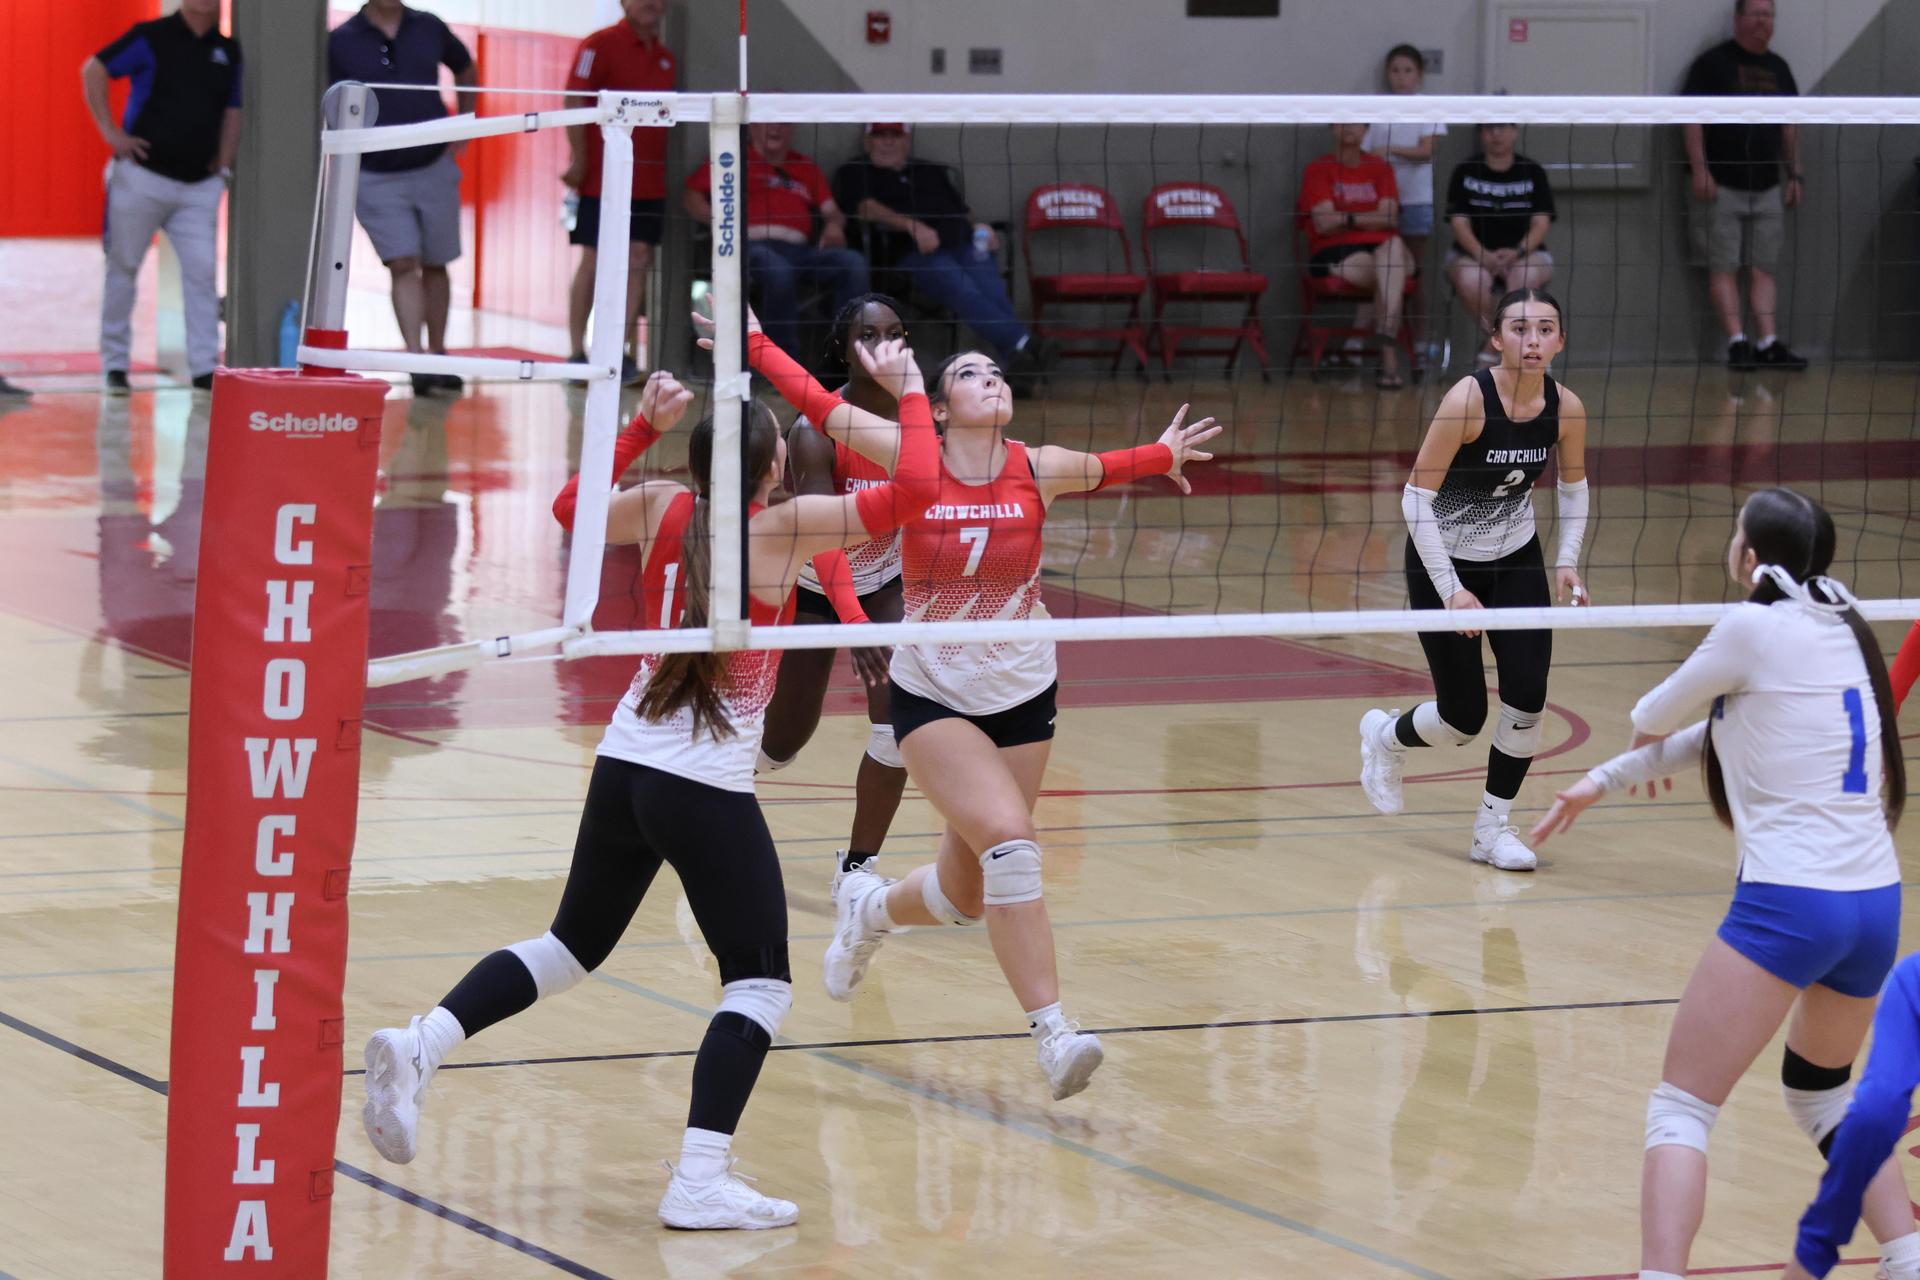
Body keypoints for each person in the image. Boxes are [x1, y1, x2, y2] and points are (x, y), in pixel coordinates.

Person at [358, 348, 943, 1229]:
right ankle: (700, 1178)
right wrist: (911, 393)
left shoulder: (667, 504)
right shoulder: (782, 531)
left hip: (625, 763)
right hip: (701, 785)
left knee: (569, 947)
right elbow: (918, 490)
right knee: (759, 986)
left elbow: (569, 508)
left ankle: (421, 1043)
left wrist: (641, 427)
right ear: (772, 469)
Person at [738, 320, 1222, 1101]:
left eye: (996, 371)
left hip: (1024, 690)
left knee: (965, 896)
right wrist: (755, 341)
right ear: (940, 404)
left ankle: (870, 913)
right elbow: (821, 408)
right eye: (969, 373)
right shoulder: (911, 455)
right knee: (1013, 843)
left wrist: (1163, 454)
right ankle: (1054, 1035)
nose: (990, 379)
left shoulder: (1039, 466)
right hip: (932, 692)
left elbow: (1111, 466)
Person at [1527, 488, 1912, 1280]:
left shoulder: (1750, 628)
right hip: (1875, 901)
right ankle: (1908, 1259)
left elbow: (1656, 709)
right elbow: (1736, 728)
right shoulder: (1844, 621)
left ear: (1750, 558)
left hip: (1792, 903)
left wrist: (1638, 740)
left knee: (1682, 1106)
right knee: (1822, 1095)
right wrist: (1604, 778)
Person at [1357, 287, 1589, 872]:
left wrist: (1566, 559)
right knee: (1462, 719)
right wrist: (1452, 589)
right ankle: (1385, 737)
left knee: (1528, 697)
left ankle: (1492, 829)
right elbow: (1415, 498)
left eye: (1544, 329)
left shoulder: (1566, 408)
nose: (1532, 340)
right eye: (1519, 329)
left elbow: (1573, 486)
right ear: (1496, 338)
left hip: (1516, 560)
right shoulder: (1467, 401)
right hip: (1443, 561)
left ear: (1560, 341)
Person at [758, 295, 913, 877]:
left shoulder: (920, 421)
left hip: (886, 582)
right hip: (813, 585)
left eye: (894, 333)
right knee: (781, 744)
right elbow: (823, 538)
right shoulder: (813, 432)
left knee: (897, 724)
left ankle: (858, 871)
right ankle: (706, 797)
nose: (882, 345)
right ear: (844, 350)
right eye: (867, 334)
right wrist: (853, 623)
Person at [83, 0, 241, 395]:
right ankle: (115, 364)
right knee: (123, 268)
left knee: (202, 274)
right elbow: (94, 69)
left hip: (198, 187)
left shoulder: (228, 50)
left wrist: (222, 164)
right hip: (142, 178)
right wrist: (111, 133)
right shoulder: (151, 37)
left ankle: (204, 367)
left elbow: (233, 110)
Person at [328, 0, 476, 398]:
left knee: (437, 262)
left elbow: (465, 67)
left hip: (432, 163)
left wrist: (464, 124)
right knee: (402, 262)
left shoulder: (429, 26)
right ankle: (415, 358)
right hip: (375, 173)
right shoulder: (341, 41)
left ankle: (437, 354)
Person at [832, 123, 1044, 392]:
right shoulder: (856, 171)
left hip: (963, 244)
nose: (887, 142)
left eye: (895, 135)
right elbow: (864, 208)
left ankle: (1019, 355)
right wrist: (912, 226)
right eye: (879, 135)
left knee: (992, 288)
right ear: (867, 140)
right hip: (913, 253)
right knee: (962, 288)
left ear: (907, 140)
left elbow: (961, 210)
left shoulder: (930, 171)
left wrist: (979, 226)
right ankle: (1027, 345)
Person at [1681, 0, 1809, 372]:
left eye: (1768, 15)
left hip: (1767, 185)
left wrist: (1795, 175)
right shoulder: (1712, 64)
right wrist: (1700, 170)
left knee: (1763, 267)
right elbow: (1690, 119)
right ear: (1738, 19)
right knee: (1723, 266)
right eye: (1756, 14)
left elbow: (1790, 126)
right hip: (1720, 185)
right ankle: (1737, 342)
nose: (1763, 21)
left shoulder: (1779, 68)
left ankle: (1768, 342)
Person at [1779, 953, 1920, 1280]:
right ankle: (1906, 1260)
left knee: (1683, 1108)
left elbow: (1875, 1117)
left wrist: (1814, 1250)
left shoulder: (1912, 977)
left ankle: (1906, 1260)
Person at [684, 124, 870, 360]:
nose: (776, 128)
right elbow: (691, 196)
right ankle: (781, 362)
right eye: (768, 122)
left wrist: (834, 224)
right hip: (749, 247)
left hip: (801, 251)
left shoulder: (804, 166)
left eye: (783, 123)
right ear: (752, 127)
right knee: (778, 271)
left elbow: (832, 212)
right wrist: (720, 221)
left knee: (852, 263)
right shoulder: (732, 159)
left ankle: (845, 357)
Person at [564, 0, 677, 386]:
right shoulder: (598, 45)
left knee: (639, 259)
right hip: (601, 179)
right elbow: (573, 101)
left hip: (648, 182)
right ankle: (576, 352)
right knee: (593, 259)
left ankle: (616, 354)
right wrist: (579, 159)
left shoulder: (666, 59)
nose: (650, 3)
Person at [1298, 123, 1414, 389]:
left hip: (1385, 247)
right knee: (1391, 271)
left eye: (1356, 120)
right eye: (1342, 119)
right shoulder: (1318, 169)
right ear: (1332, 126)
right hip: (1336, 249)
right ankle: (1388, 355)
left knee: (1393, 250)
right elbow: (1324, 223)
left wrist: (1346, 218)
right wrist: (1370, 218)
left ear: (1366, 128)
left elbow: (1390, 216)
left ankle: (1385, 351)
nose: (1349, 125)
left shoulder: (1380, 168)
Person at [1363, 46, 1446, 364]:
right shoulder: (1377, 107)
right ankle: (1378, 345)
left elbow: (1426, 151)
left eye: (1408, 70)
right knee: (1382, 271)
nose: (1401, 77)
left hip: (1415, 202)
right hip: (1379, 205)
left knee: (1415, 278)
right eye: (1395, 70)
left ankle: (1420, 343)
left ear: (1419, 75)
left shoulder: (1429, 108)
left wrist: (1390, 150)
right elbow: (1367, 154)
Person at [1444, 123, 1555, 357]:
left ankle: (1489, 352)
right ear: (1481, 133)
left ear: (1515, 131)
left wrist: (1517, 252)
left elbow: (1541, 223)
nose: (1495, 134)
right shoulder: (1466, 170)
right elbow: (1459, 223)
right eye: (1489, 128)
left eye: (1502, 127)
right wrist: (1483, 255)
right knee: (1472, 280)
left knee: (1524, 278)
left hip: (1525, 253)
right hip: (1471, 254)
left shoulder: (1532, 171)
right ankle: (1504, 343)